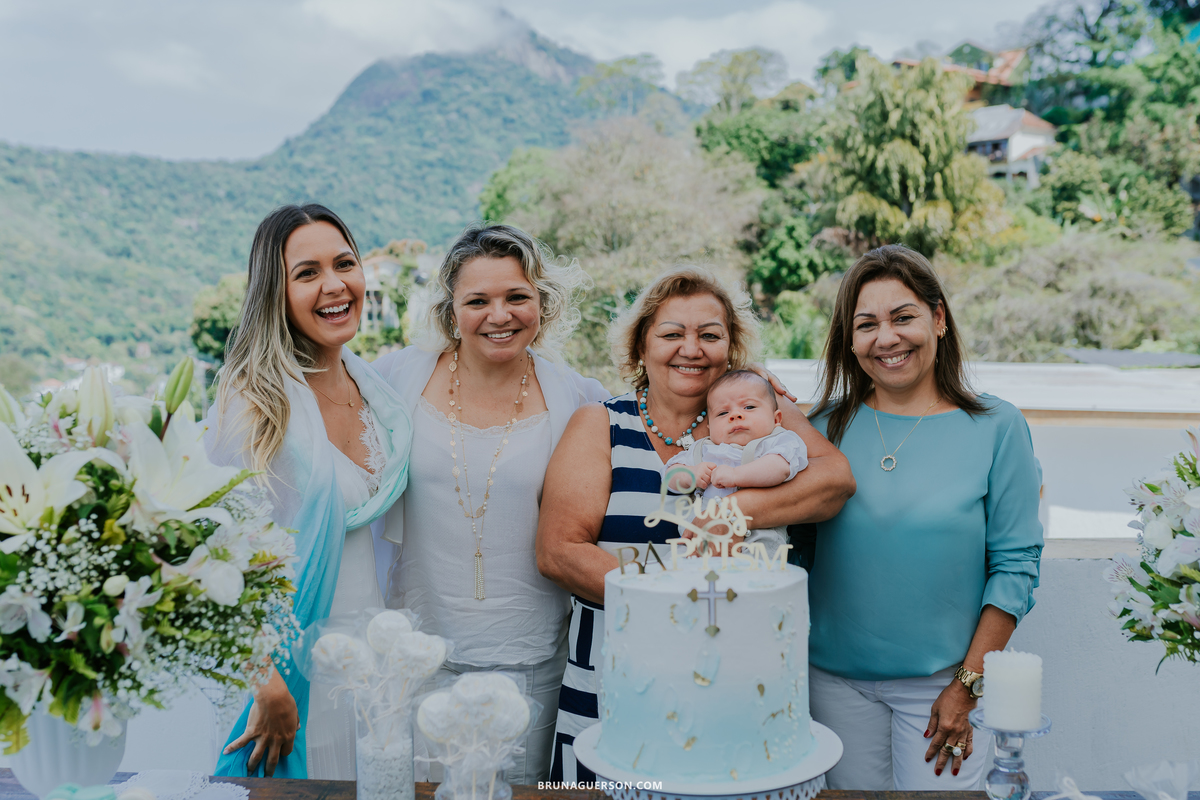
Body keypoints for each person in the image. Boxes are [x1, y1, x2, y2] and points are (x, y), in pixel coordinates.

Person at [536, 266, 856, 782]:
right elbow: (558, 551)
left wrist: (729, 513)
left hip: (736, 674)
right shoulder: (600, 422)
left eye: (710, 335)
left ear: (731, 346)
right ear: (641, 346)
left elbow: (834, 482)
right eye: (671, 334)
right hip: (616, 669)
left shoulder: (755, 413)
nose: (693, 348)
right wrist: (670, 600)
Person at [371, 223, 610, 783]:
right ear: (450, 309)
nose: (498, 315)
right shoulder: (396, 379)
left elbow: (667, 419)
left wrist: (774, 409)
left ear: (542, 305)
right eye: (477, 300)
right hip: (414, 659)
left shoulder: (579, 397)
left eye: (517, 297)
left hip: (531, 663)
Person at [805, 244, 1043, 790]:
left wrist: (968, 684)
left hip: (943, 688)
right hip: (829, 683)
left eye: (903, 317)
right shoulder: (815, 428)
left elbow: (1016, 565)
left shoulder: (997, 426)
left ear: (938, 319)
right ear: (850, 340)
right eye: (866, 324)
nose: (885, 338)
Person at [206, 204, 412, 779]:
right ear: (275, 292)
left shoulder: (376, 391)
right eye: (307, 273)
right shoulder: (252, 404)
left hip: (369, 667)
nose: (334, 285)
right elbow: (209, 553)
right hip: (289, 675)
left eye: (345, 263)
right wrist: (264, 682)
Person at [665, 369, 808, 556]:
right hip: (697, 542)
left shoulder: (778, 441)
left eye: (748, 407)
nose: (735, 415)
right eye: (723, 413)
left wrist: (736, 475)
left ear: (776, 419)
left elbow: (779, 468)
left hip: (757, 542)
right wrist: (690, 475)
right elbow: (669, 474)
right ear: (709, 427)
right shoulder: (703, 449)